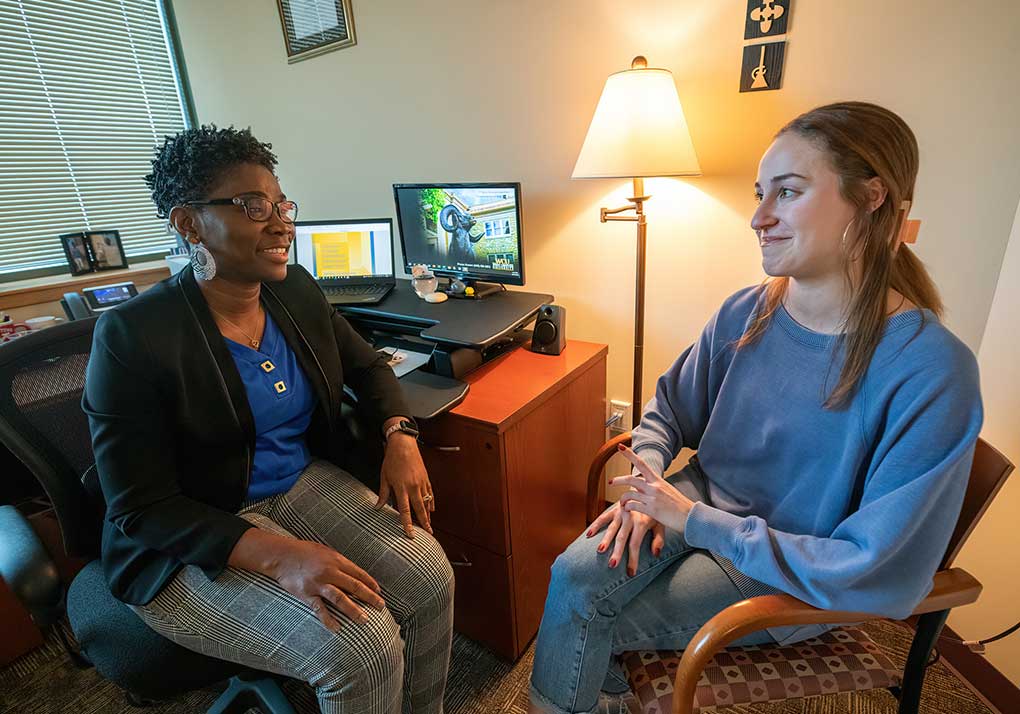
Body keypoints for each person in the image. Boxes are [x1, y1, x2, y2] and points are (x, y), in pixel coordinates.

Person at [528, 101, 983, 714]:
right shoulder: (748, 311)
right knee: (573, 578)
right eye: (759, 193)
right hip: (693, 503)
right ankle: (606, 696)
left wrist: (692, 520)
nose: (758, 218)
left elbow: (869, 565)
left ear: (871, 197)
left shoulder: (931, 369)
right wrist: (649, 481)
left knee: (584, 614)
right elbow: (668, 409)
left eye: (787, 193)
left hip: (790, 567)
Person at [83, 126, 454, 714]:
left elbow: (369, 367)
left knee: (430, 579)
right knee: (362, 647)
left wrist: (399, 436)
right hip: (189, 536)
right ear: (189, 223)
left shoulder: (294, 291)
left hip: (296, 484)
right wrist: (280, 554)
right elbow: (140, 507)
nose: (282, 223)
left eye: (281, 204)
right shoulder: (134, 336)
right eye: (254, 207)